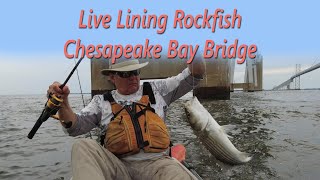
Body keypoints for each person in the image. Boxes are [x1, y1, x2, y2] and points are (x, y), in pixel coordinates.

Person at [48, 58, 205, 180]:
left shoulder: (158, 89)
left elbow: (195, 75)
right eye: (125, 74)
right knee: (82, 146)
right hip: (118, 167)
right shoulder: (100, 102)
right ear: (112, 77)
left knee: (178, 174)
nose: (132, 77)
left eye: (135, 72)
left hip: (158, 165)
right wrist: (62, 103)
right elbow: (74, 127)